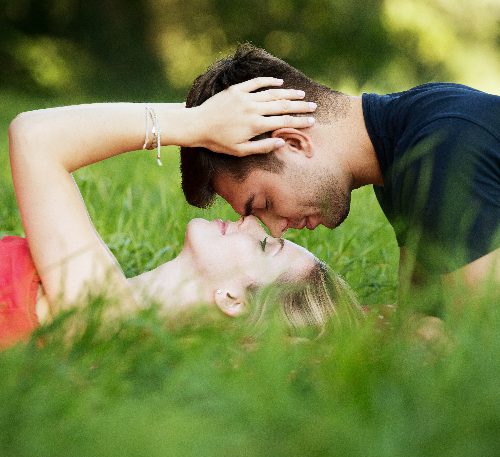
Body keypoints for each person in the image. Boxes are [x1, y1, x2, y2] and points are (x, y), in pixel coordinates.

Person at [1, 78, 361, 349]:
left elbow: (35, 137)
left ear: (232, 299)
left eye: (264, 248)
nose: (251, 222)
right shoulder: (108, 306)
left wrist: (198, 124)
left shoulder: (105, 314)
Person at [180, 44, 500, 298]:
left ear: (293, 142)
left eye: (264, 203)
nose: (275, 231)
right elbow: (417, 316)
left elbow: (472, 338)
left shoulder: (440, 148)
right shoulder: (404, 156)